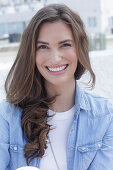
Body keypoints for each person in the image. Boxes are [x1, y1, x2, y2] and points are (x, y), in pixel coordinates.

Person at [0, 4, 113, 170]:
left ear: (80, 48)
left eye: (65, 45)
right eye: (43, 47)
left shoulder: (105, 115)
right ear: (32, 53)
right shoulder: (8, 115)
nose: (55, 58)